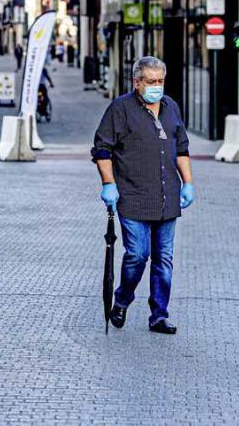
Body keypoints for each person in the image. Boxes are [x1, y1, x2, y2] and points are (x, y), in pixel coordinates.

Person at [91, 56, 194, 335]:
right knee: (137, 255)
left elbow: (181, 148)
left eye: (160, 81)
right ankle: (123, 299)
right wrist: (108, 183)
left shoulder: (171, 107)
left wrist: (188, 183)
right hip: (133, 196)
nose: (156, 87)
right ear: (137, 82)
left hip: (166, 197)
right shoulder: (121, 109)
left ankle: (159, 315)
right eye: (151, 82)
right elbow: (102, 149)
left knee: (164, 259)